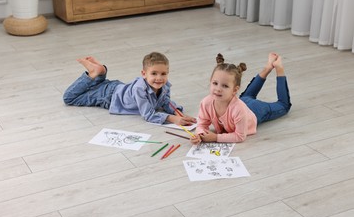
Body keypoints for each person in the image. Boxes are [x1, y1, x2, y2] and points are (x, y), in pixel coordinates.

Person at [63, 52, 196, 125]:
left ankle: (100, 72)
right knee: (69, 98)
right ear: (143, 74)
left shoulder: (164, 85)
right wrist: (174, 119)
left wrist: (178, 113)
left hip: (117, 88)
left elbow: (165, 102)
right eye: (154, 74)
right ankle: (93, 74)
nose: (159, 78)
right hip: (108, 97)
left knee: (99, 86)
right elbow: (148, 115)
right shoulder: (140, 89)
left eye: (163, 74)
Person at [191, 52, 291, 144]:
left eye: (225, 86)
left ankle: (279, 68)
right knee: (247, 96)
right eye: (215, 83)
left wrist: (216, 137)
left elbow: (240, 136)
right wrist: (199, 135)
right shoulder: (206, 102)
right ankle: (267, 68)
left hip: (256, 110)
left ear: (235, 90)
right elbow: (201, 125)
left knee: (283, 105)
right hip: (241, 101)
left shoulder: (239, 109)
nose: (218, 89)